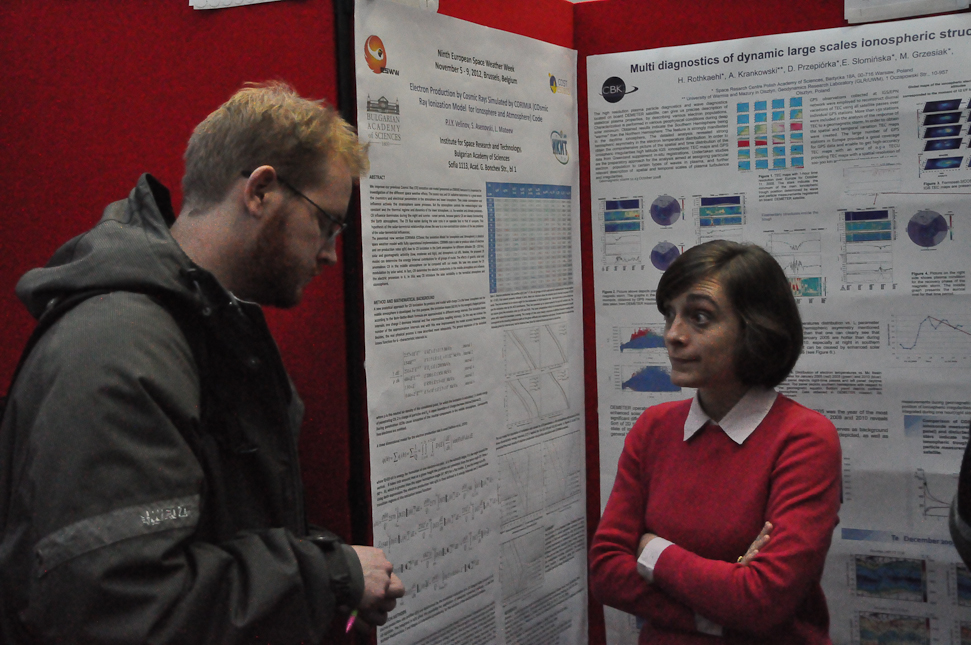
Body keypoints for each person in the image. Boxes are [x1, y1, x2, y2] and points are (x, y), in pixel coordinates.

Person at [0, 82, 404, 644]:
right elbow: (121, 607)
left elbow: (220, 527)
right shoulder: (117, 350)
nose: (331, 253)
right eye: (326, 223)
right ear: (260, 191)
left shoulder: (207, 323)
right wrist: (329, 574)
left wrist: (328, 567)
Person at [590, 240, 841, 643]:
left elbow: (761, 601)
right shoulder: (654, 429)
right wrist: (716, 609)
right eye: (669, 315)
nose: (673, 335)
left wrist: (652, 551)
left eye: (700, 318)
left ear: (755, 329)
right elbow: (606, 572)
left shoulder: (804, 438)